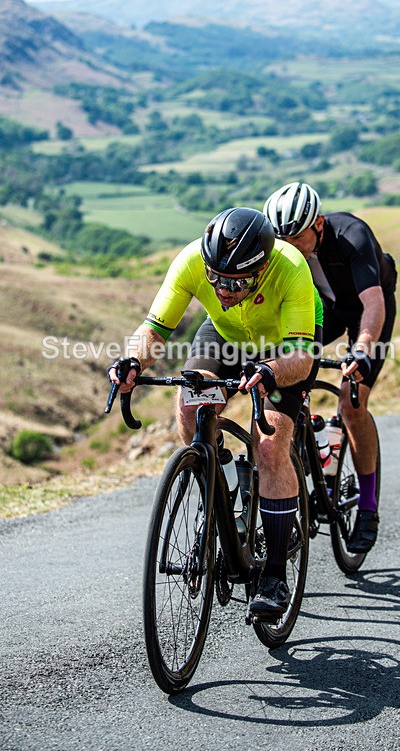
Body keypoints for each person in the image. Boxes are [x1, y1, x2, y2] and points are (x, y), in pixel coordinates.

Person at [108, 207, 323, 617]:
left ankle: (275, 575)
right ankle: (224, 495)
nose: (223, 290)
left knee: (272, 442)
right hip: (224, 336)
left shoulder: (290, 266)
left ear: (260, 269)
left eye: (236, 282)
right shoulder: (192, 260)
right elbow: (153, 330)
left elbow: (302, 357)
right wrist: (133, 361)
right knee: (192, 409)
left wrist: (269, 371)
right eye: (215, 279)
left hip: (282, 349)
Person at [264, 182, 398, 553]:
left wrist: (361, 351)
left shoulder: (351, 235)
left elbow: (373, 304)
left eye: (296, 236)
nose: (288, 245)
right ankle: (315, 438)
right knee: (286, 368)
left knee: (352, 406)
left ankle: (368, 508)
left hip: (366, 311)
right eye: (281, 238)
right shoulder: (286, 252)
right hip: (328, 310)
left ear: (319, 223)